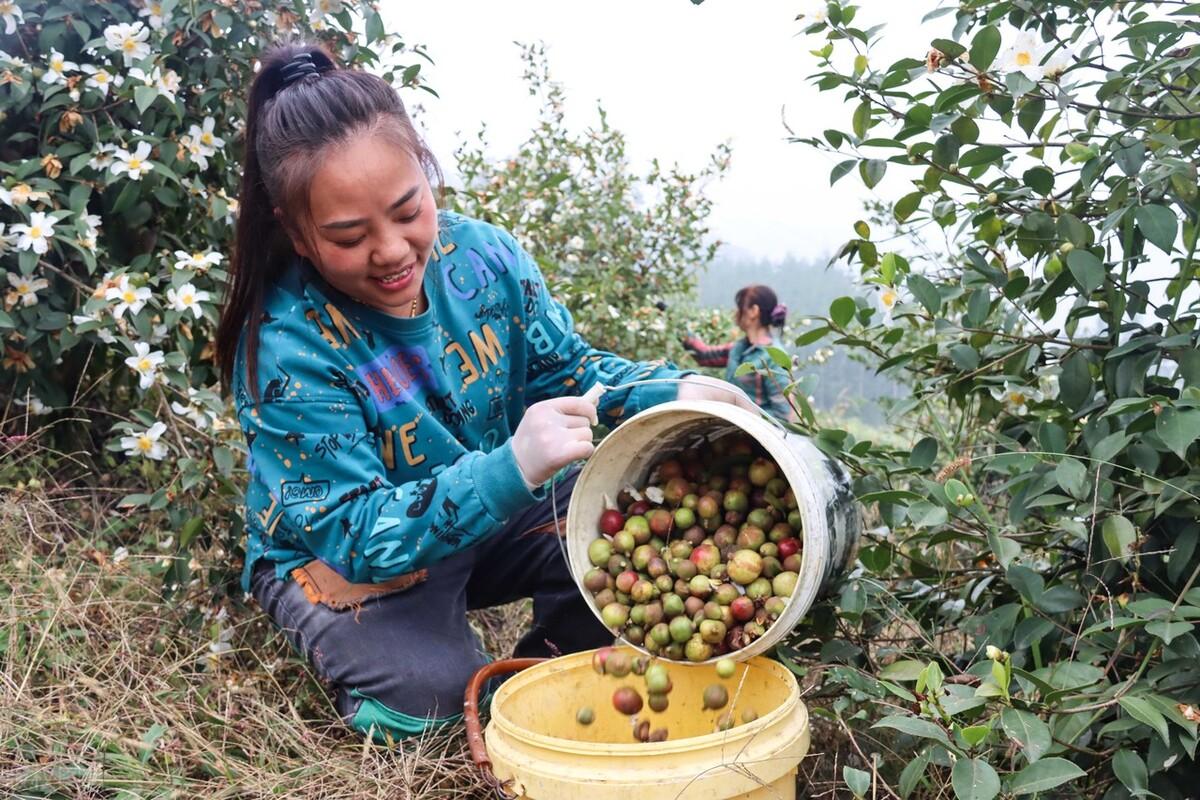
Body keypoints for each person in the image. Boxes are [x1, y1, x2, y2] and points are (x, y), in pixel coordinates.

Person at [213, 43, 756, 742]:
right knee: (433, 704)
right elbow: (355, 533)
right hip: (341, 560)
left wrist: (669, 390)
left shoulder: (484, 260)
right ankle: (412, 671)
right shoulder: (285, 346)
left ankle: (541, 676)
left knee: (650, 541)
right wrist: (512, 468)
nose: (392, 251)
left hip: (484, 511)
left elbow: (568, 372)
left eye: (408, 209)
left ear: (427, 173)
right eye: (349, 236)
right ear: (296, 232)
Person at [681, 285, 795, 421]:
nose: (736, 313)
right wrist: (681, 329)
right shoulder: (739, 349)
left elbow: (783, 415)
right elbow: (704, 356)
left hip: (757, 433)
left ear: (754, 311)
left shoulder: (774, 357)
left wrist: (746, 420)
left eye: (740, 307)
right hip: (734, 427)